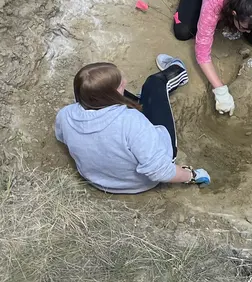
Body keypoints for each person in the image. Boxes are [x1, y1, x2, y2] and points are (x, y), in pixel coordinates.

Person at [55, 56, 211, 193]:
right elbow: (160, 171)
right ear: (110, 95)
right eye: (120, 85)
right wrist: (192, 175)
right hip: (138, 183)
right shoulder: (132, 121)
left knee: (134, 99)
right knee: (154, 84)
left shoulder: (65, 115)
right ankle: (177, 70)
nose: (125, 82)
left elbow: (63, 138)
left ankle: (139, 99)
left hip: (98, 180)